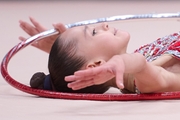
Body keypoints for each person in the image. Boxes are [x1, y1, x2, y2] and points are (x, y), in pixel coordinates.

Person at [19, 17, 180, 94]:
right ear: (97, 65)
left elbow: (134, 62)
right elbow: (139, 64)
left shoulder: (136, 63)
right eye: (94, 32)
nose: (105, 24)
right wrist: (119, 61)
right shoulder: (146, 82)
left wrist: (64, 54)